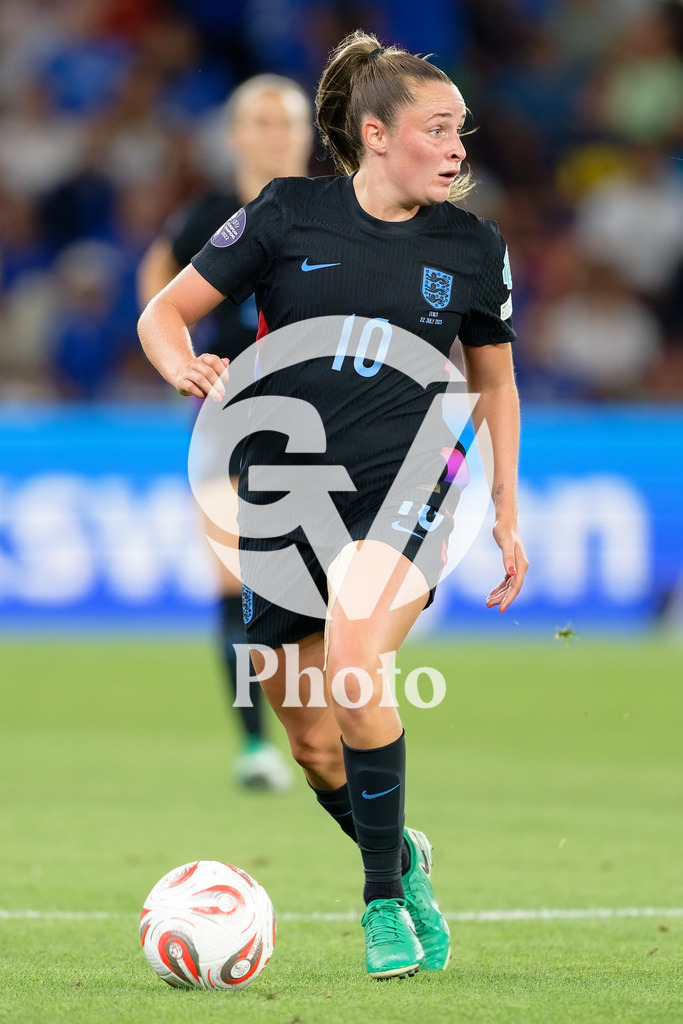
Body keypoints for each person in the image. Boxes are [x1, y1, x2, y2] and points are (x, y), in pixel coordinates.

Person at [139, 30, 528, 981]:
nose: (457, 147)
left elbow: (496, 386)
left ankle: (381, 900)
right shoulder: (284, 216)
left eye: (461, 131)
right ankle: (403, 853)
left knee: (356, 656)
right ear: (377, 132)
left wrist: (508, 511)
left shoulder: (472, 247)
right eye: (438, 129)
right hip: (286, 492)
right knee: (313, 742)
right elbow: (162, 313)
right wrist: (180, 364)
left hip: (413, 477)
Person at [137, 74, 314, 791]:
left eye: (286, 121)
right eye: (260, 122)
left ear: (308, 133)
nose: (274, 134)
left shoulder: (332, 213)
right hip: (229, 417)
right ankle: (254, 746)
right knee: (234, 578)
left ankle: (318, 736)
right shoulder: (206, 216)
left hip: (318, 421)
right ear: (236, 134)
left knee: (307, 593)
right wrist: (177, 366)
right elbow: (156, 296)